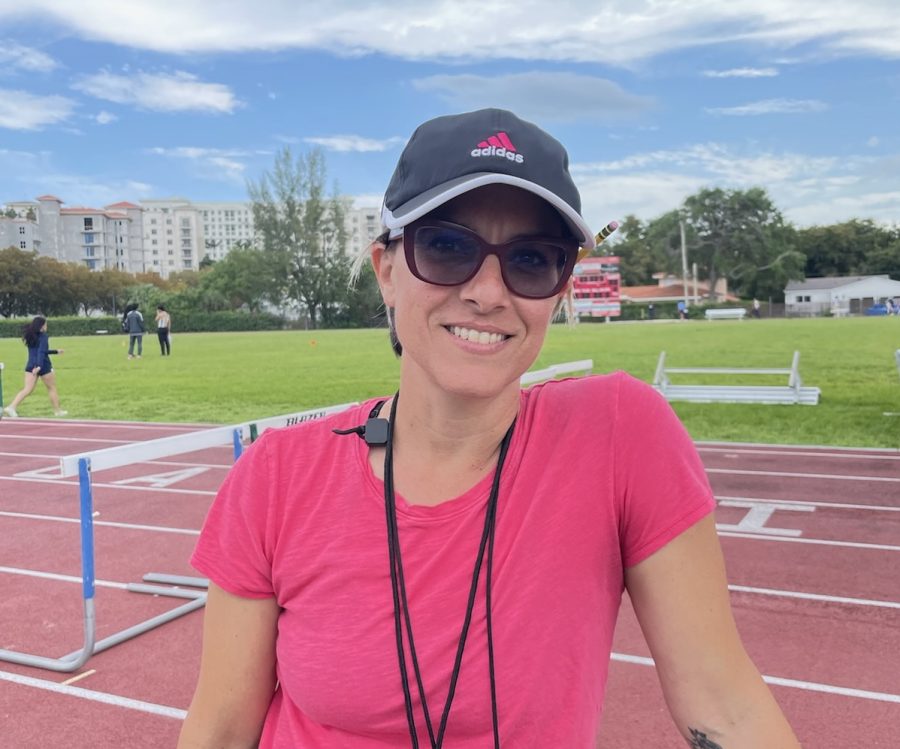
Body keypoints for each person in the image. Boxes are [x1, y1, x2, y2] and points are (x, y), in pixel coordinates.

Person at [179, 109, 800, 748]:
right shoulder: (278, 473)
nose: (488, 292)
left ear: (559, 292)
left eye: (532, 260)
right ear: (386, 270)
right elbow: (222, 728)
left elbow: (725, 707)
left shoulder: (619, 436)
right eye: (447, 247)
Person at [2, 316, 67, 418]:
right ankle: (57, 411)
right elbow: (41, 352)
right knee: (51, 388)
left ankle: (11, 407)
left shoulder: (30, 336)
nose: (46, 326)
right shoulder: (44, 336)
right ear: (41, 326)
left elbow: (39, 351)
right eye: (45, 324)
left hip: (31, 365)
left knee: (27, 389)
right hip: (43, 365)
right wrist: (39, 366)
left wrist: (55, 351)